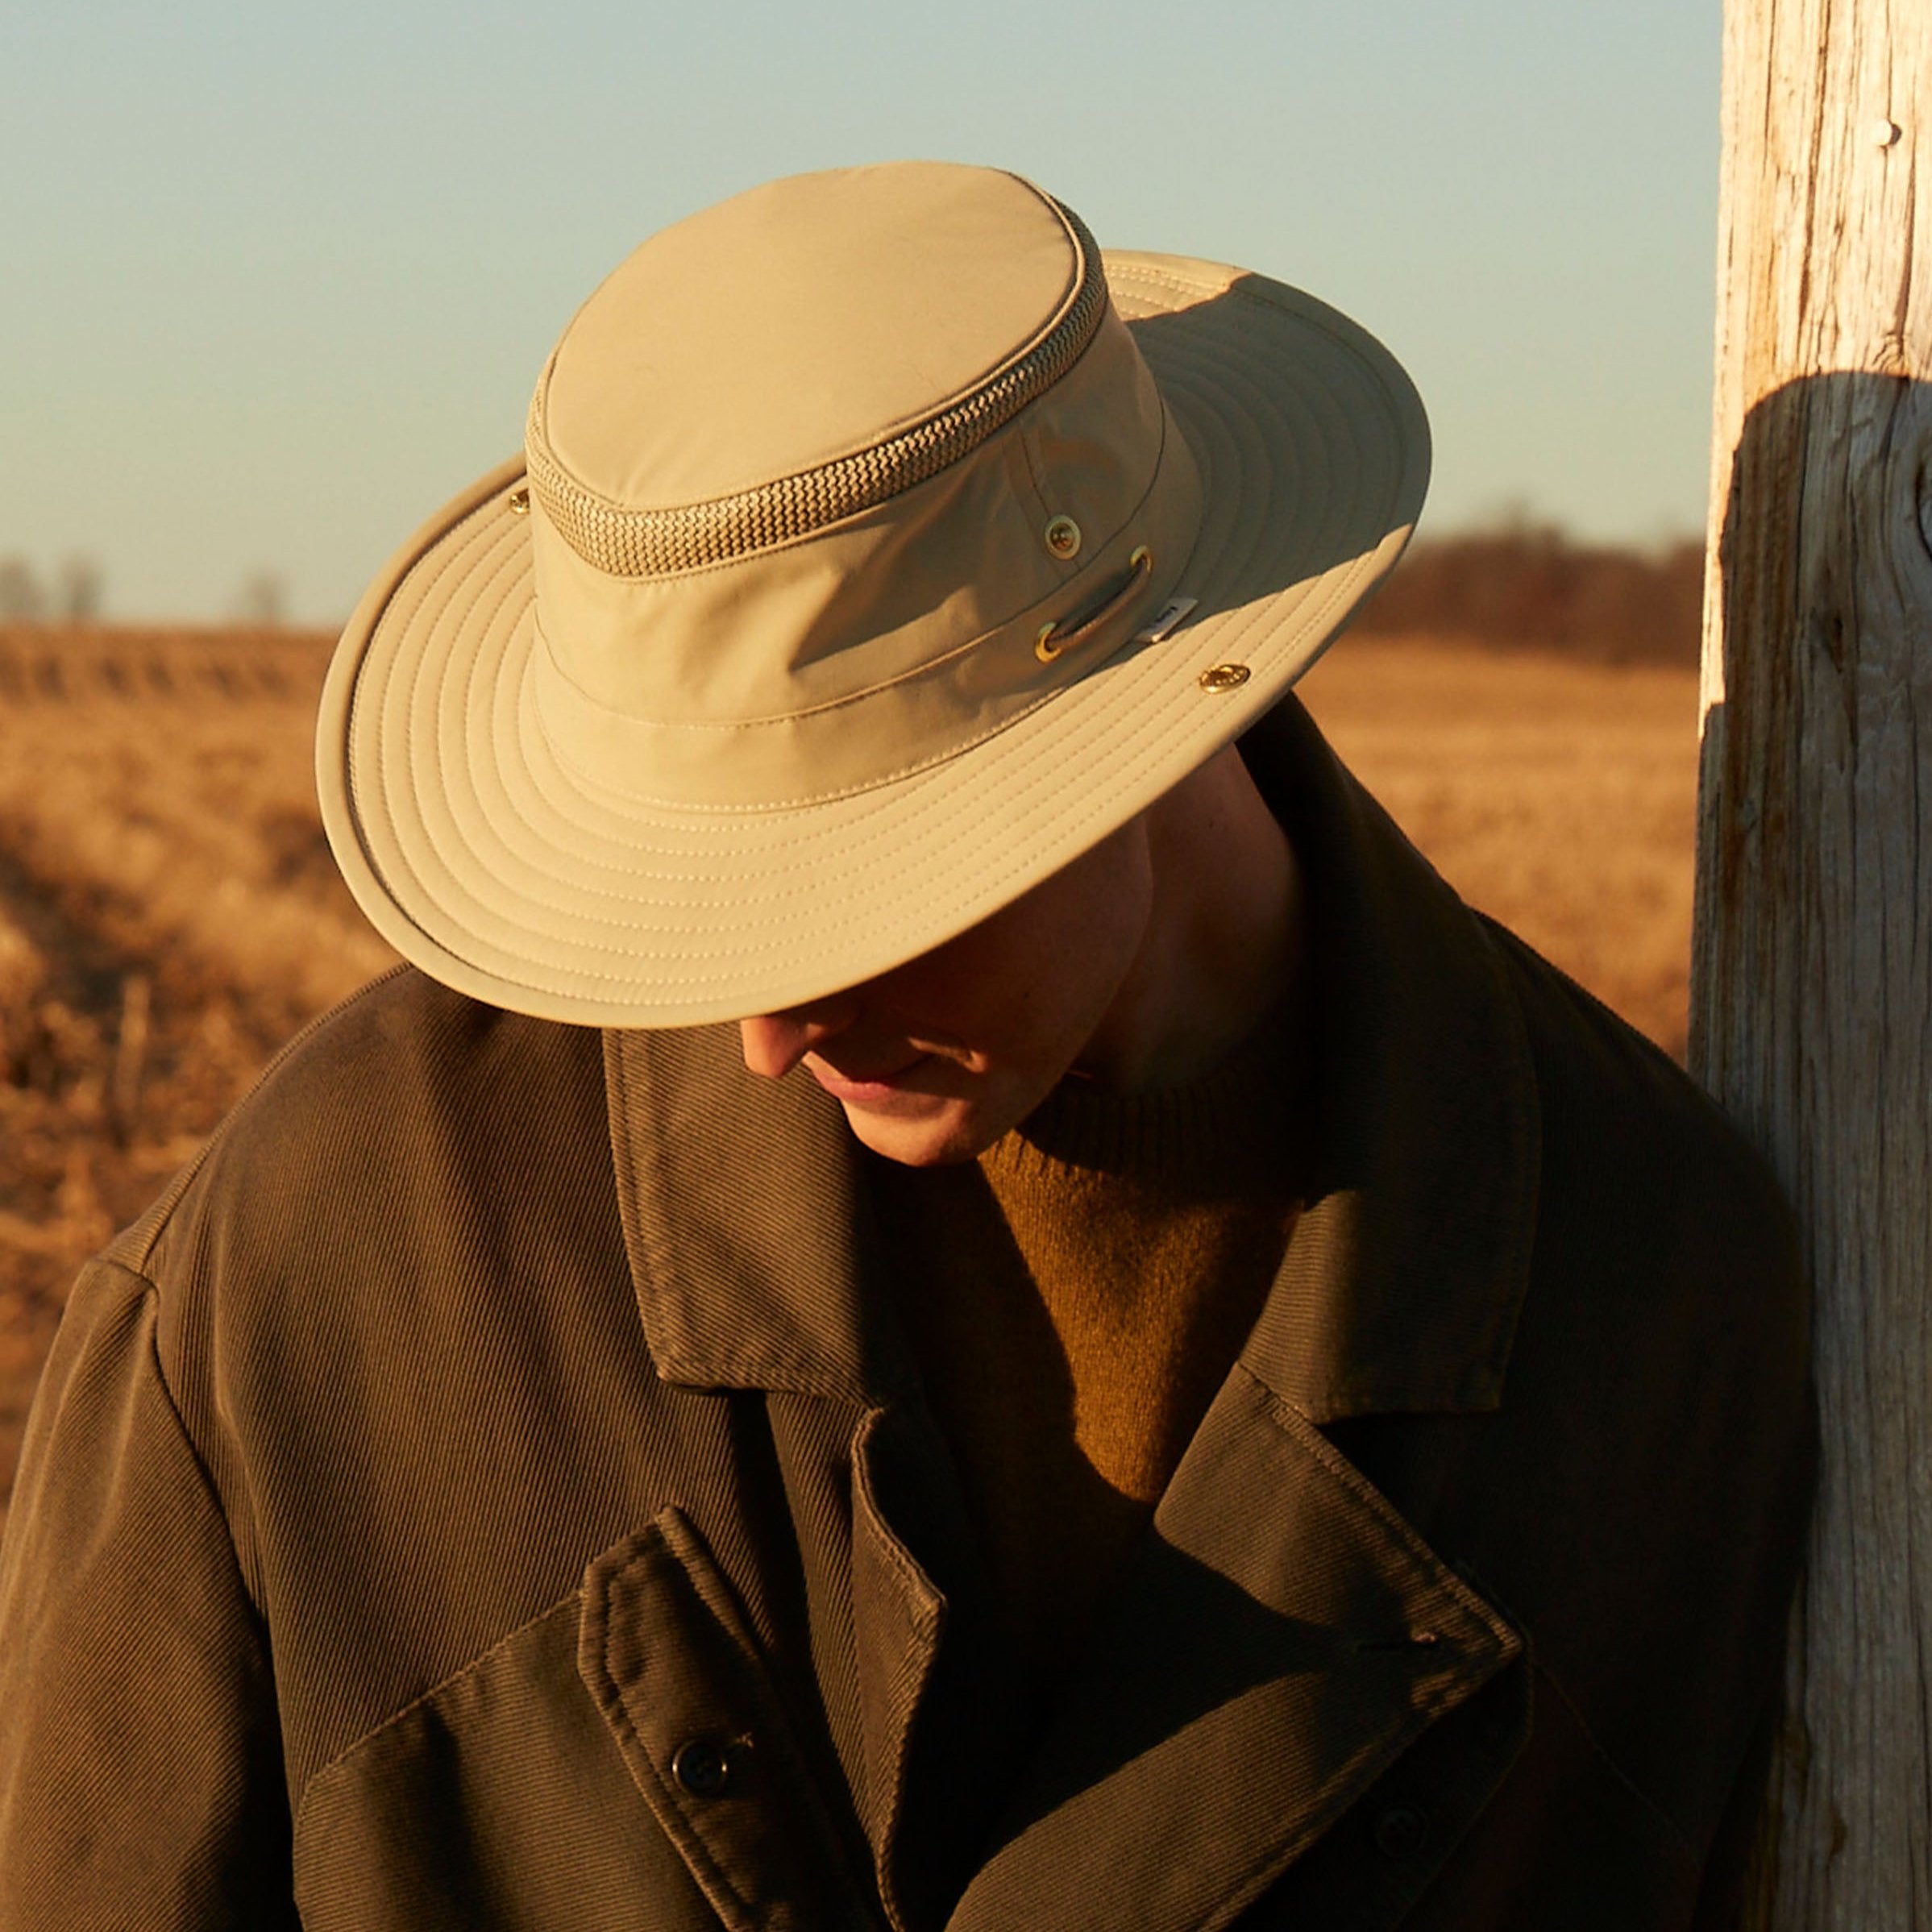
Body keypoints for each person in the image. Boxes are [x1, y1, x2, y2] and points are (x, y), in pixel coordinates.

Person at [0, 161, 1813, 1929]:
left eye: (856, 896)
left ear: (1139, 713)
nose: (765, 1031)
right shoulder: (323, 1249)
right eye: (699, 904)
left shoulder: (1640, 1298)